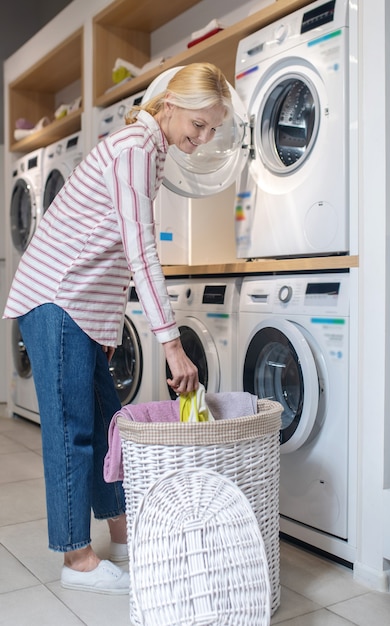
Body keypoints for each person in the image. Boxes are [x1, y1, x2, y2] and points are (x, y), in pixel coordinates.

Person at [3, 62, 232, 594]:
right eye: (198, 125)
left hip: (82, 305)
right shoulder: (134, 147)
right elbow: (139, 250)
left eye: (212, 129)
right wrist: (171, 345)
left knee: (109, 421)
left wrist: (107, 330)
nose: (201, 139)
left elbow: (110, 256)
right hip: (56, 298)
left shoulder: (150, 154)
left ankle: (124, 534)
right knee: (72, 431)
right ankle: (76, 559)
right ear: (169, 103)